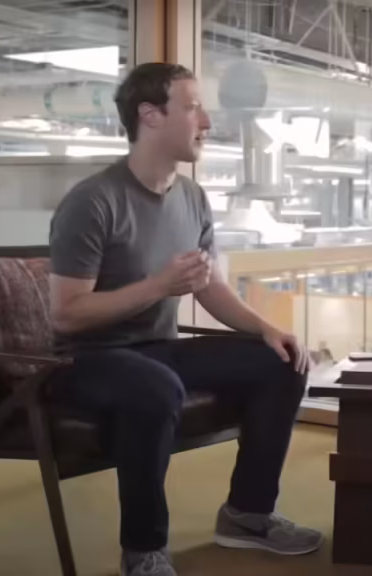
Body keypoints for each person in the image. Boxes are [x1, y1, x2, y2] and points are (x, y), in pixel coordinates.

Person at [47, 62, 322, 576]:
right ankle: (143, 550)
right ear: (150, 115)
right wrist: (157, 286)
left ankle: (247, 514)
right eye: (193, 107)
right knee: (155, 388)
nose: (207, 122)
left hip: (158, 348)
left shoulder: (192, 197)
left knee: (282, 361)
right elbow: (66, 316)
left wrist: (264, 328)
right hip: (88, 359)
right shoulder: (92, 201)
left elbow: (208, 286)